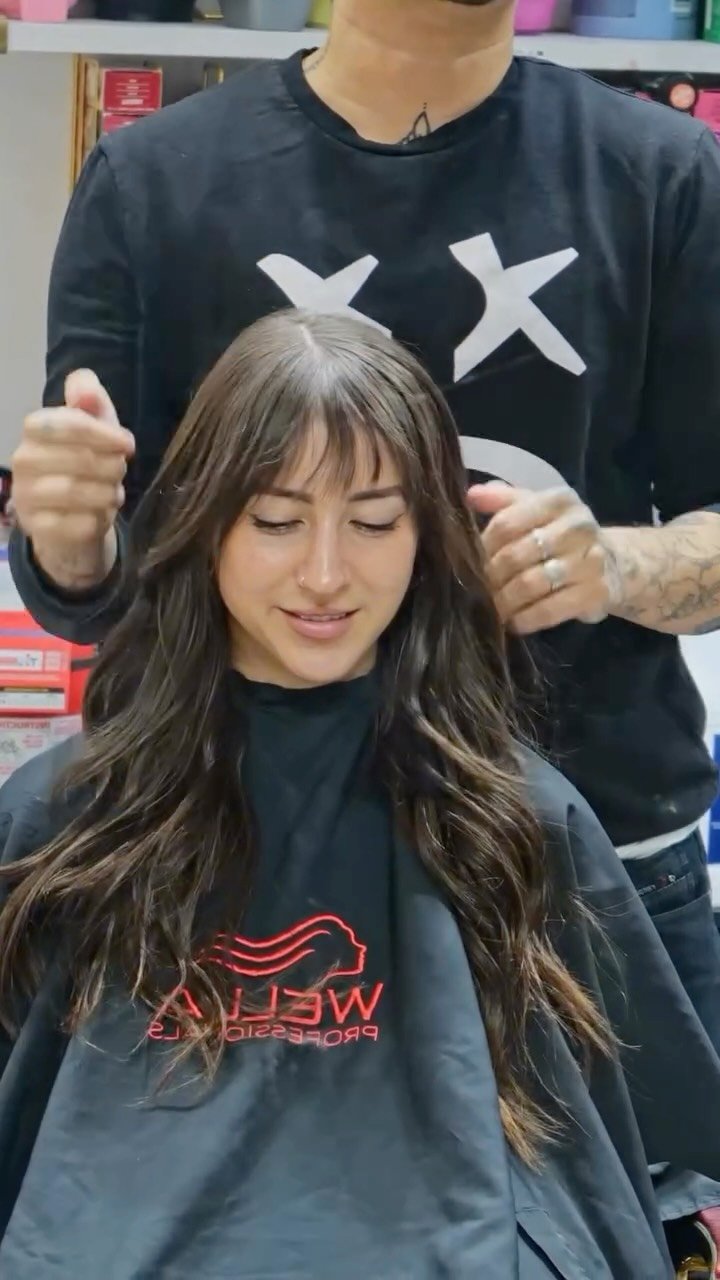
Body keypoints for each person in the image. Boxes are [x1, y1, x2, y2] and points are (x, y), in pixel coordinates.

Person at [9, 0, 720, 1043]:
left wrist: (614, 564)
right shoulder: (155, 181)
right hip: (233, 873)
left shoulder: (663, 175)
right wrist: (71, 541)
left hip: (598, 863)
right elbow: (94, 581)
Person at [1, 310, 720, 1279]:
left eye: (375, 522)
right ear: (208, 525)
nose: (326, 573)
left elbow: (638, 1163)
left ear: (427, 538)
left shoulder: (518, 819)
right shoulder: (63, 817)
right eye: (277, 520)